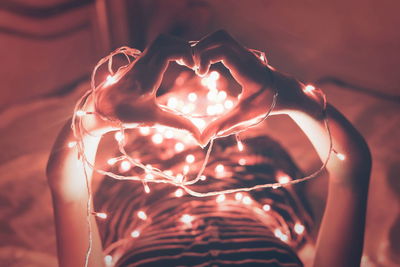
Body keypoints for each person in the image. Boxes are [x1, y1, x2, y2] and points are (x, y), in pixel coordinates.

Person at [46, 30, 371, 267]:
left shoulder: (138, 155)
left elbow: (69, 190)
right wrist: (295, 98)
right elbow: (350, 173)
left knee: (163, 125)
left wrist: (94, 117)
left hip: (149, 188)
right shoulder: (255, 146)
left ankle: (173, 27)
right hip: (254, 183)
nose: (203, 87)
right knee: (243, 130)